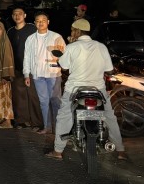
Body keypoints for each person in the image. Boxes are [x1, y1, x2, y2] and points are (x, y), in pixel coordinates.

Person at [46, 18, 127, 161]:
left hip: (74, 89)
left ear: (76, 31)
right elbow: (109, 70)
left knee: (64, 116)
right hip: (98, 89)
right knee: (109, 117)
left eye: (72, 30)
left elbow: (64, 67)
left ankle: (58, 151)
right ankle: (120, 151)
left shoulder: (72, 47)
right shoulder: (101, 47)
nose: (71, 32)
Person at [22, 11, 65, 135]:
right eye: (38, 21)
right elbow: (27, 57)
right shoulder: (30, 39)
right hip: (37, 75)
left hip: (53, 74)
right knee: (43, 102)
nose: (40, 23)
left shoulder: (56, 37)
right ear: (35, 23)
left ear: (48, 22)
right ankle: (47, 126)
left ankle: (59, 129)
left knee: (56, 101)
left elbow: (64, 55)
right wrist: (26, 74)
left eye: (43, 20)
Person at [7, 6, 43, 130]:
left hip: (33, 68)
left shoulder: (32, 29)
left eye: (20, 14)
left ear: (25, 15)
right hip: (17, 68)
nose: (17, 16)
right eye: (15, 14)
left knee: (33, 96)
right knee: (19, 96)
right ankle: (21, 120)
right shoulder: (10, 31)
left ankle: (37, 122)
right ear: (12, 17)